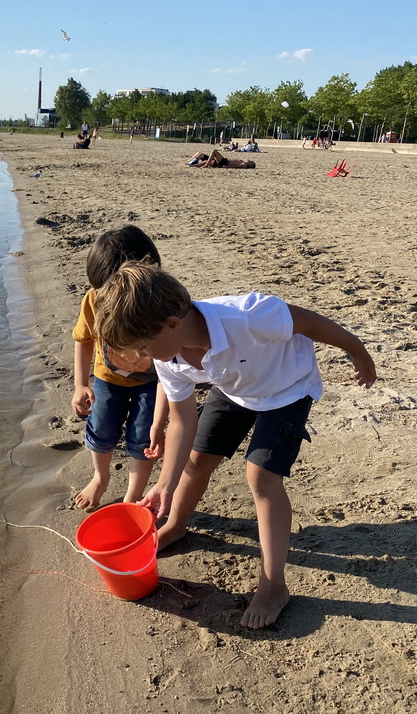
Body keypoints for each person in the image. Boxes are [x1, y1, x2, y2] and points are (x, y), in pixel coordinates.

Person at [93, 261, 377, 628]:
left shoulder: (250, 315)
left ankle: (274, 585)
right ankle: (177, 524)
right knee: (196, 461)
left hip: (286, 389)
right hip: (234, 388)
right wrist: (163, 484)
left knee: (260, 476)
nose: (141, 357)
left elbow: (311, 323)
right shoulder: (170, 355)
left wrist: (358, 352)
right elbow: (182, 421)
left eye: (144, 347)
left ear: (173, 324)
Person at [70, 227, 170, 510]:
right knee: (100, 427)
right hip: (107, 377)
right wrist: (80, 384)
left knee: (144, 436)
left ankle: (133, 495)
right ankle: (100, 478)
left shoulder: (158, 305)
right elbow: (84, 339)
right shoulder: (92, 299)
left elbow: (172, 362)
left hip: (153, 382)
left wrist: (162, 419)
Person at [184, 150, 255, 169]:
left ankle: (206, 165)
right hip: (223, 162)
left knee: (214, 152)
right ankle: (191, 166)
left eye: (252, 162)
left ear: (251, 164)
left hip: (225, 162)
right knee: (207, 161)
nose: (251, 161)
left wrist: (227, 167)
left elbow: (237, 167)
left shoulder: (245, 164)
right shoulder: (245, 163)